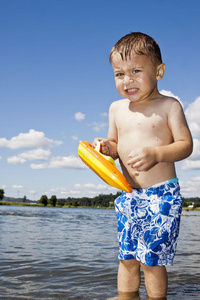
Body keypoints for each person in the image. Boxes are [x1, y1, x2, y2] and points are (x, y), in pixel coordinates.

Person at [92, 32, 193, 299]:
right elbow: (114, 145)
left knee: (151, 261)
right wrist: (106, 147)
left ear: (159, 71)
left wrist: (157, 154)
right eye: (119, 74)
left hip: (161, 196)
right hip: (128, 194)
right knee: (126, 257)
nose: (127, 80)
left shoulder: (169, 106)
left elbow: (185, 145)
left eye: (136, 70)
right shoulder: (116, 109)